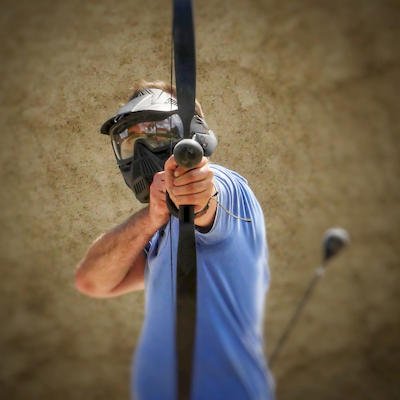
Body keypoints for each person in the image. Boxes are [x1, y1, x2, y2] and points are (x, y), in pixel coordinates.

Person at [75, 80, 275, 400]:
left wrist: (194, 191)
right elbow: (92, 281)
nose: (142, 152)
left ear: (194, 137)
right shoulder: (157, 227)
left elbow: (205, 197)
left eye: (157, 134)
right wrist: (151, 217)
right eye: (131, 141)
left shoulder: (229, 187)